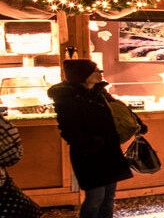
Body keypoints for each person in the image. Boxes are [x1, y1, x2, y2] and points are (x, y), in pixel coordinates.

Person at [51, 59, 140, 218]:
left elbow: (120, 110)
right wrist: (90, 143)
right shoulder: (67, 99)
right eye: (95, 71)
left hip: (110, 151)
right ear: (83, 75)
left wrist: (137, 123)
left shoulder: (100, 93)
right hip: (88, 155)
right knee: (94, 198)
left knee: (108, 197)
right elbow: (68, 129)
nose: (100, 73)